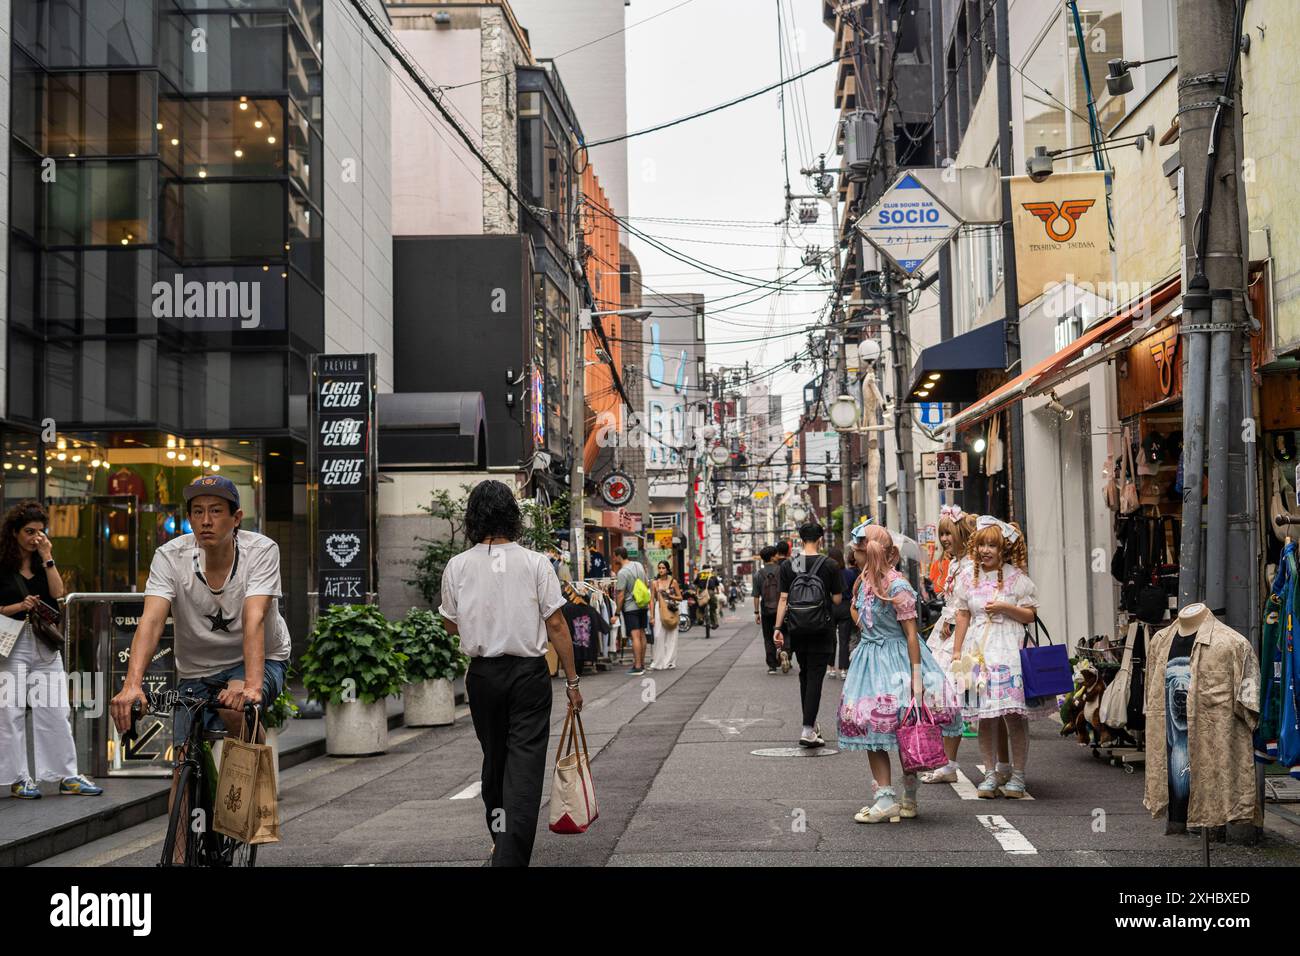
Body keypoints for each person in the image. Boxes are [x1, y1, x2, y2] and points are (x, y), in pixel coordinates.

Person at [437, 481, 582, 866]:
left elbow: (450, 624)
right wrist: (572, 681)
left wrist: (481, 621)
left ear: (473, 517)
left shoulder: (458, 565)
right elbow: (556, 626)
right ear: (512, 516)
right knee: (525, 765)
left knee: (495, 761)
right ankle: (508, 858)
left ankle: (500, 840)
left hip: (483, 676)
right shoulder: (536, 563)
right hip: (528, 676)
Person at [111, 476, 290, 744]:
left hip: (256, 661)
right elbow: (151, 621)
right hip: (197, 669)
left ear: (237, 517)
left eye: (216, 511)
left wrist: (251, 687)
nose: (206, 520)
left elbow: (254, 619)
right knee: (183, 758)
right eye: (198, 511)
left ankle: (256, 779)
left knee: (233, 710)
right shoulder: (170, 556)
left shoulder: (261, 551)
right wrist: (132, 685)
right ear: (190, 518)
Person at [838, 522, 963, 823]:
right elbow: (859, 616)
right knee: (872, 729)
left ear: (867, 552)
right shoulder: (862, 583)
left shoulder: (898, 586)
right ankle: (885, 798)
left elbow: (910, 633)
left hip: (898, 662)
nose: (852, 558)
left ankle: (909, 795)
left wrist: (917, 676)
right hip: (870, 660)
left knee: (906, 727)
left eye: (855, 552)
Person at [0, 500, 103, 799]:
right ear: (15, 532)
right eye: (29, 531)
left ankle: (66, 775)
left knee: (57, 709)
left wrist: (48, 556)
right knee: (10, 712)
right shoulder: (2, 564)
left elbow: (58, 594)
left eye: (40, 532)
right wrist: (18, 606)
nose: (35, 537)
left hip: (43, 642)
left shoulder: (42, 562)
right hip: (11, 642)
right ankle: (19, 778)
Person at [949, 516, 1040, 799]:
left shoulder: (1017, 579)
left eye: (993, 545)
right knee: (984, 717)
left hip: (1009, 650)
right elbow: (963, 614)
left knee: (1013, 716)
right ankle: (990, 774)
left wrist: (1004, 607)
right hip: (977, 652)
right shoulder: (967, 579)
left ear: (1003, 550)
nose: (986, 550)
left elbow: (1030, 614)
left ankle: (1018, 775)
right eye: (982, 545)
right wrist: (956, 650)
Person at [772, 522, 843, 747]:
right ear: (820, 539)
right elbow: (837, 599)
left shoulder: (791, 564)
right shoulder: (829, 564)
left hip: (797, 628)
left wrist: (777, 628)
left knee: (805, 674)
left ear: (800, 539)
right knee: (815, 676)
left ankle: (809, 725)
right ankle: (808, 728)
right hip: (822, 629)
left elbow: (783, 598)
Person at [612, 547, 649, 676]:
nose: (614, 558)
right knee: (642, 633)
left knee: (635, 636)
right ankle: (642, 663)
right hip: (643, 604)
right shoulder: (638, 565)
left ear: (619, 556)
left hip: (631, 607)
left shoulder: (622, 573)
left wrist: (616, 613)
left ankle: (637, 666)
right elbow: (645, 583)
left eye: (614, 556)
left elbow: (620, 595)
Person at [560, 582, 607, 676]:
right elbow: (605, 628)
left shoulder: (566, 609)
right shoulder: (591, 610)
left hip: (573, 652)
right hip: (587, 650)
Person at [828, 545, 859, 680]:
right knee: (844, 640)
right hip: (846, 607)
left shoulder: (827, 573)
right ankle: (843, 669)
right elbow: (854, 592)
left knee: (831, 640)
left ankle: (831, 669)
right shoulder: (850, 574)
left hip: (831, 607)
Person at [752, 546, 782, 674]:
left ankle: (772, 666)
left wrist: (757, 613)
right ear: (771, 557)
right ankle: (785, 652)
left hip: (766, 610)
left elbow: (756, 596)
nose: (778, 556)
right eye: (776, 554)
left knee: (768, 637)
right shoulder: (782, 570)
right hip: (781, 608)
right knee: (784, 632)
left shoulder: (758, 574)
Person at [648, 561, 683, 670]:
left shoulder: (673, 582)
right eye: (659, 568)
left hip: (671, 609)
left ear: (667, 569)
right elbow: (652, 600)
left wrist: (670, 596)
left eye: (663, 568)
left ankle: (669, 661)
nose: (661, 570)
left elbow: (680, 597)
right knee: (658, 635)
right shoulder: (655, 583)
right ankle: (658, 661)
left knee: (672, 635)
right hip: (659, 609)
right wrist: (652, 616)